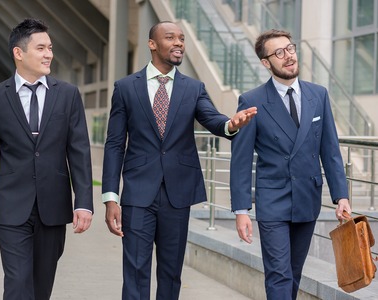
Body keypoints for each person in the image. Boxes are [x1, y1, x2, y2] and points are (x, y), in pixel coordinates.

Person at [102, 21, 257, 300]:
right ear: (152, 44)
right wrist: (111, 197)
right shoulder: (125, 87)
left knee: (171, 271)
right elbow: (114, 144)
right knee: (135, 270)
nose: (179, 43)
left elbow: (213, 120)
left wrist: (231, 124)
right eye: (171, 37)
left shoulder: (193, 87)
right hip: (138, 192)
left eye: (182, 38)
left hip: (178, 192)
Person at [0, 18, 93, 300]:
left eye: (50, 47)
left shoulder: (67, 95)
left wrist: (84, 203)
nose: (49, 54)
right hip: (12, 208)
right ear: (19, 52)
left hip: (53, 207)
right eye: (41, 48)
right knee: (17, 283)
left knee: (42, 286)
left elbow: (80, 153)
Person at [230, 29, 352, 300]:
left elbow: (330, 150)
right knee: (279, 273)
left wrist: (341, 195)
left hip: (308, 197)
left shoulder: (318, 95)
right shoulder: (252, 101)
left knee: (294, 271)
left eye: (290, 49)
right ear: (266, 62)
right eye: (279, 53)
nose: (288, 57)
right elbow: (240, 160)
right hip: (273, 200)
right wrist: (241, 210)